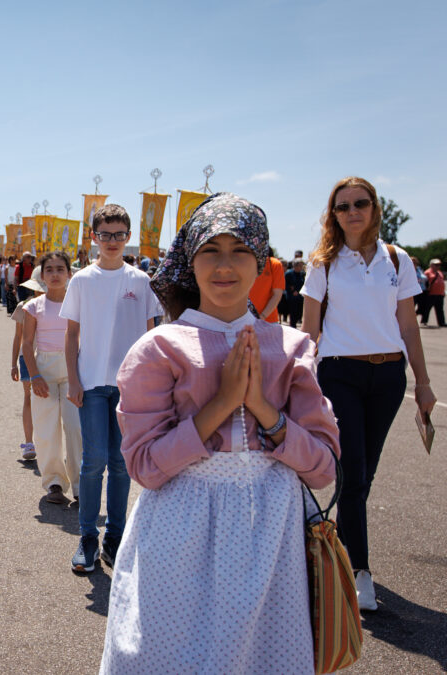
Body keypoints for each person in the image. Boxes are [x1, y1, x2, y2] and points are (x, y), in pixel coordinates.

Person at [99, 192, 341, 672]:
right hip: (177, 533)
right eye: (211, 250)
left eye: (240, 251)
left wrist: (262, 410)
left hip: (270, 537)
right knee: (162, 654)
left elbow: (323, 468)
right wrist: (223, 404)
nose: (224, 265)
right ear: (191, 260)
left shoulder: (291, 348)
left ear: (262, 264)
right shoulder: (159, 348)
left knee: (257, 657)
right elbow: (145, 467)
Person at [301, 176, 437, 611]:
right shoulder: (323, 262)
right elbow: (309, 331)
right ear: (334, 214)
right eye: (343, 206)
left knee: (364, 476)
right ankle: (360, 571)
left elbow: (409, 327)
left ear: (375, 208)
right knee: (355, 475)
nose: (352, 211)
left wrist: (424, 384)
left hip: (389, 377)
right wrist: (300, 384)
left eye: (361, 203)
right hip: (340, 375)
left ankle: (343, 546)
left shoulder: (396, 260)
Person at [62, 204, 162, 573]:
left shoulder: (141, 281)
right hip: (91, 383)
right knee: (94, 462)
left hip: (130, 386)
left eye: (119, 234)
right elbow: (71, 335)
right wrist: (73, 379)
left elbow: (152, 335)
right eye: (105, 234)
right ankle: (88, 536)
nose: (112, 241)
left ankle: (115, 539)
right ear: (94, 237)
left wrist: (151, 385)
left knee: (121, 465)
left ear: (128, 236)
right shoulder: (82, 280)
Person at [22, 251, 81, 504]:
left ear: (69, 273)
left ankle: (80, 487)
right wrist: (34, 375)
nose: (55, 274)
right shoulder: (33, 306)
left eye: (60, 269)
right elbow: (26, 343)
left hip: (74, 369)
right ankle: (54, 483)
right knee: (46, 430)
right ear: (42, 275)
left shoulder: (78, 304)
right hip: (43, 368)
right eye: (49, 270)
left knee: (76, 428)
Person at [10, 272, 45, 461]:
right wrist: (13, 363)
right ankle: (29, 442)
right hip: (27, 357)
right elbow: (18, 337)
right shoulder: (23, 306)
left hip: (51, 357)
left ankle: (48, 443)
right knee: (29, 397)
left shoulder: (59, 305)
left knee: (51, 401)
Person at [248, 253, 285, 323]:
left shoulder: (274, 264)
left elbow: (277, 295)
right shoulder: (240, 263)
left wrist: (261, 317)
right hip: (239, 321)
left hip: (268, 321)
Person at [422, 258, 445, 327]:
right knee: (427, 308)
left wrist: (443, 291)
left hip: (440, 294)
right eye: (436, 265)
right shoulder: (427, 272)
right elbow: (424, 283)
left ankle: (441, 322)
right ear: (431, 265)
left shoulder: (439, 272)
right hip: (431, 294)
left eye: (439, 265)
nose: (438, 266)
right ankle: (424, 321)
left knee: (440, 309)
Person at [284, 258, 306, 328]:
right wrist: (292, 291)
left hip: (300, 297)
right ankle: (293, 326)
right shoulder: (288, 274)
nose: (301, 267)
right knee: (292, 314)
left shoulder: (303, 274)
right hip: (291, 297)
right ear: (295, 266)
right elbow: (285, 284)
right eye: (300, 265)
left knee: (299, 313)